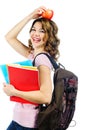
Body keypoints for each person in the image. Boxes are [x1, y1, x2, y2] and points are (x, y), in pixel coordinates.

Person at [3, 6, 60, 130]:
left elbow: (45, 97)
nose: (36, 34)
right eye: (33, 29)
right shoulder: (33, 55)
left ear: (49, 36)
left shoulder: (42, 59)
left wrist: (13, 92)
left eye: (42, 31)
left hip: (28, 125)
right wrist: (30, 16)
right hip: (18, 121)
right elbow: (9, 37)